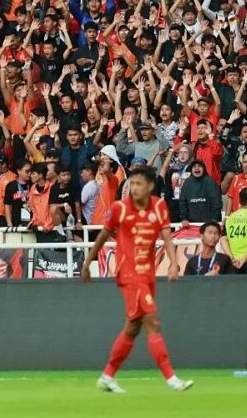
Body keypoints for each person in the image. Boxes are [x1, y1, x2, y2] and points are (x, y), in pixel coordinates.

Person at [81, 165, 193, 394]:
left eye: (139, 183)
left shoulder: (159, 206)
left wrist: (173, 263)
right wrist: (87, 263)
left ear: (150, 186)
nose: (134, 187)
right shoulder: (120, 208)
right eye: (132, 183)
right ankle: (171, 379)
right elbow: (103, 235)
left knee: (132, 327)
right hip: (129, 274)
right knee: (153, 322)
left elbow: (166, 236)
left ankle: (107, 376)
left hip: (148, 275)